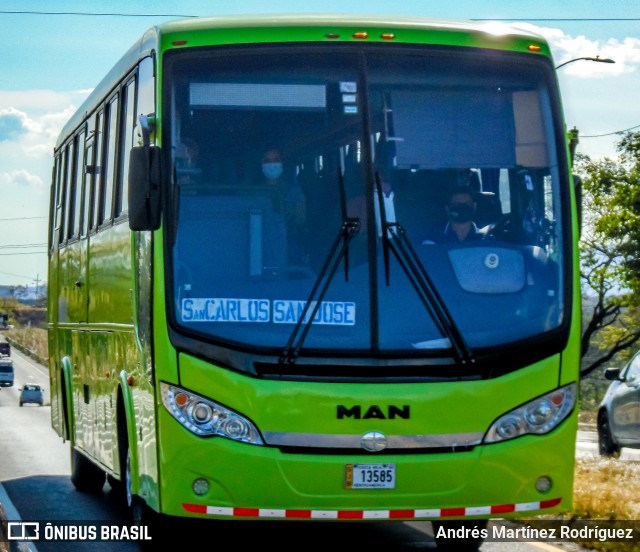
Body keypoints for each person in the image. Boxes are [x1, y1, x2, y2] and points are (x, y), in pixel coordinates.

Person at [260, 148, 308, 263]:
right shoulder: (253, 191)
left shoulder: (294, 191)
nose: (272, 164)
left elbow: (302, 220)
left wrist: (291, 212)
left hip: (288, 242)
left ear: (282, 163)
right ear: (261, 164)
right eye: (267, 160)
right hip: (260, 241)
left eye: (276, 160)